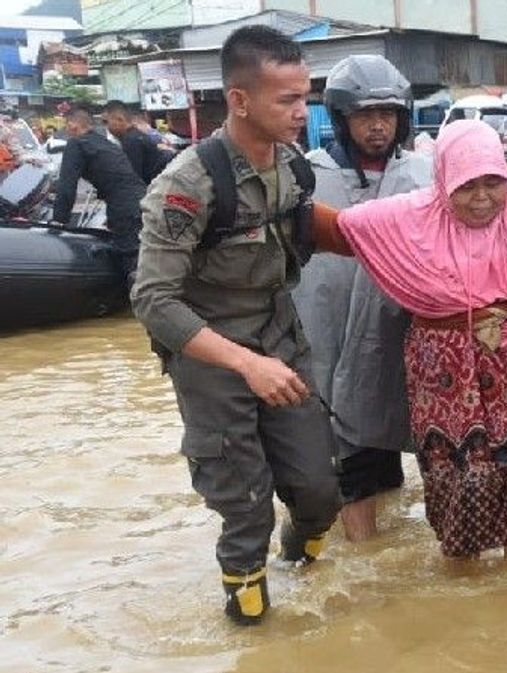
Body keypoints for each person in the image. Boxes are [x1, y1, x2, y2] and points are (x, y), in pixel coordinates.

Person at [130, 25, 341, 626]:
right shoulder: (186, 185)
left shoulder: (293, 167)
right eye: (287, 100)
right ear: (240, 99)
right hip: (213, 356)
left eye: (306, 96)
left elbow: (311, 232)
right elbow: (152, 299)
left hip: (280, 337)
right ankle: (251, 628)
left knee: (319, 491)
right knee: (245, 506)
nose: (303, 112)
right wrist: (247, 364)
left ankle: (305, 573)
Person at [309, 119, 507, 560]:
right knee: (459, 482)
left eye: (491, 183)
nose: (482, 198)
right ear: (443, 179)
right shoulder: (407, 216)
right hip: (445, 375)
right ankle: (464, 585)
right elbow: (330, 229)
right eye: (466, 186)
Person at [291, 55, 432, 542]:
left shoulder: (424, 173)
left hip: (398, 337)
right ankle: (365, 558)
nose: (377, 126)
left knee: (404, 434)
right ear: (341, 118)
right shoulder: (305, 176)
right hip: (328, 337)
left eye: (387, 114)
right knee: (349, 453)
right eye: (364, 115)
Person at [54, 107, 146, 288]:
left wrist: (58, 222)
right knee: (143, 253)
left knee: (130, 258)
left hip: (123, 206)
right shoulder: (105, 143)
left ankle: (140, 305)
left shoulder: (77, 144)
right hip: (142, 198)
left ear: (72, 125)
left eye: (66, 126)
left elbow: (66, 186)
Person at [105, 100, 172, 184]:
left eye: (107, 122)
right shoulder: (136, 135)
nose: (107, 127)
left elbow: (135, 178)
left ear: (120, 119)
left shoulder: (131, 141)